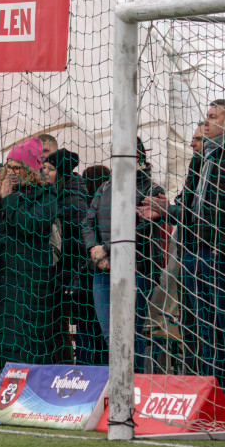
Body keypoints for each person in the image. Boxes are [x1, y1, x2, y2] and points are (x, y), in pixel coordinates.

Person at [144, 100, 225, 417]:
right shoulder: (200, 161)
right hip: (195, 254)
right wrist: (166, 211)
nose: (204, 123)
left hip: (224, 256)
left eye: (212, 118)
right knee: (202, 331)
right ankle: (210, 399)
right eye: (205, 117)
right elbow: (191, 211)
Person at [0, 137, 58, 375]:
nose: (10, 172)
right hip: (0, 273)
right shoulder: (5, 191)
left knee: (23, 333)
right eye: (8, 166)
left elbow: (34, 225)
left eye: (16, 167)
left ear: (30, 169)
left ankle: (25, 383)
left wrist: (9, 199)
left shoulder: (45, 194)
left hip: (28, 278)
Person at [82, 140, 165, 372]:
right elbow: (88, 221)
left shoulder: (151, 189)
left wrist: (107, 249)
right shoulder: (105, 187)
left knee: (131, 333)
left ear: (138, 156)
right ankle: (119, 386)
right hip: (102, 269)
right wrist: (95, 250)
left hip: (136, 269)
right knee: (110, 334)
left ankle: (135, 385)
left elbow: (142, 229)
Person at [46, 148, 106, 366]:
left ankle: (83, 371)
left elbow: (82, 240)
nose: (45, 173)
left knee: (81, 328)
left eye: (50, 169)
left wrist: (59, 245)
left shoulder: (73, 201)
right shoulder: (59, 195)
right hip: (69, 274)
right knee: (73, 328)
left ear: (61, 172)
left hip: (75, 275)